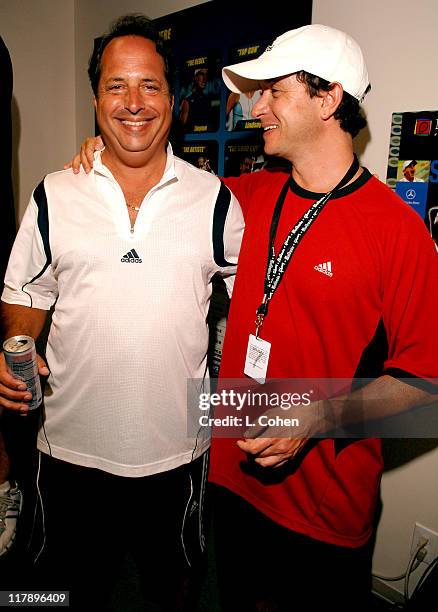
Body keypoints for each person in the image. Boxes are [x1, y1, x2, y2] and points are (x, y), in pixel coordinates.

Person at [69, 23, 438, 612]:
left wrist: (315, 416)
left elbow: (427, 387)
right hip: (229, 478)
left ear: (329, 98)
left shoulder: (398, 232)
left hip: (325, 506)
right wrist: (108, 152)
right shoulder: (242, 196)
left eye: (273, 91)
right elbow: (160, 183)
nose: (255, 107)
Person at [0, 14, 243, 611]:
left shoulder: (216, 201)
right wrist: (16, 349)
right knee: (57, 591)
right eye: (116, 86)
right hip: (68, 455)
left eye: (150, 85)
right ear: (95, 100)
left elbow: (259, 310)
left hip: (176, 456)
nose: (133, 103)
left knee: (172, 590)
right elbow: (24, 295)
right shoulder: (54, 194)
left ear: (174, 97)